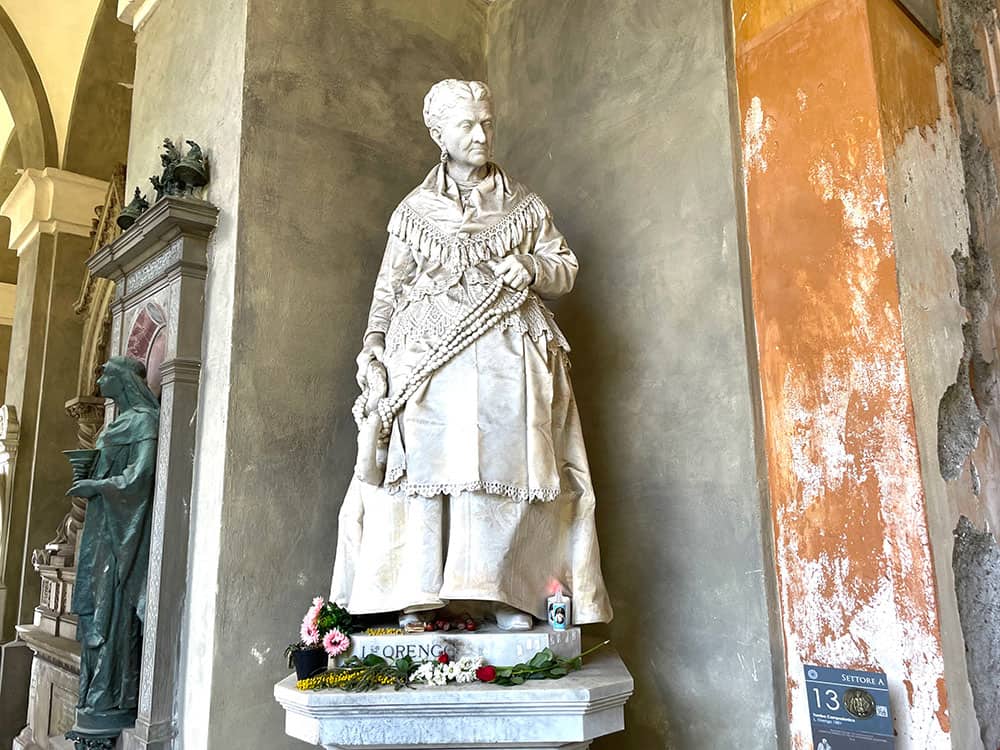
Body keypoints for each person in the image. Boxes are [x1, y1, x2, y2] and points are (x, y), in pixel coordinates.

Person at [331, 79, 612, 630]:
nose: (481, 134)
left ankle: (505, 593)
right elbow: (388, 288)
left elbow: (566, 266)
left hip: (509, 347)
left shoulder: (525, 206)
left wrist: (532, 268)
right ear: (439, 133)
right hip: (427, 351)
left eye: (487, 122)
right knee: (424, 466)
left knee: (508, 460)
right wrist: (373, 348)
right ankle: (419, 595)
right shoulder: (414, 210)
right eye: (466, 125)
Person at [67, 357, 158, 736]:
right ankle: (92, 694)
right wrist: (89, 478)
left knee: (111, 610)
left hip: (122, 536)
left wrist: (97, 486)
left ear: (122, 380)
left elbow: (141, 478)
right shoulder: (113, 423)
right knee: (93, 606)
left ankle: (110, 696)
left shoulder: (145, 422)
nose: (99, 378)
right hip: (100, 532)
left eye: (106, 373)